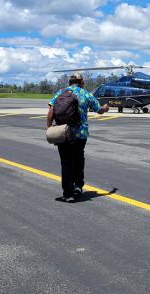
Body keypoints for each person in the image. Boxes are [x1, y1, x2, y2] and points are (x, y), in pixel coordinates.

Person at [47, 73, 109, 201]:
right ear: (81, 82)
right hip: (80, 135)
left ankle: (67, 194)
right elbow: (99, 110)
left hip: (63, 133)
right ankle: (78, 186)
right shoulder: (86, 94)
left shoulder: (60, 92)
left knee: (66, 162)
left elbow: (51, 111)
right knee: (78, 159)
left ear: (70, 82)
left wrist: (49, 127)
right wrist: (105, 108)